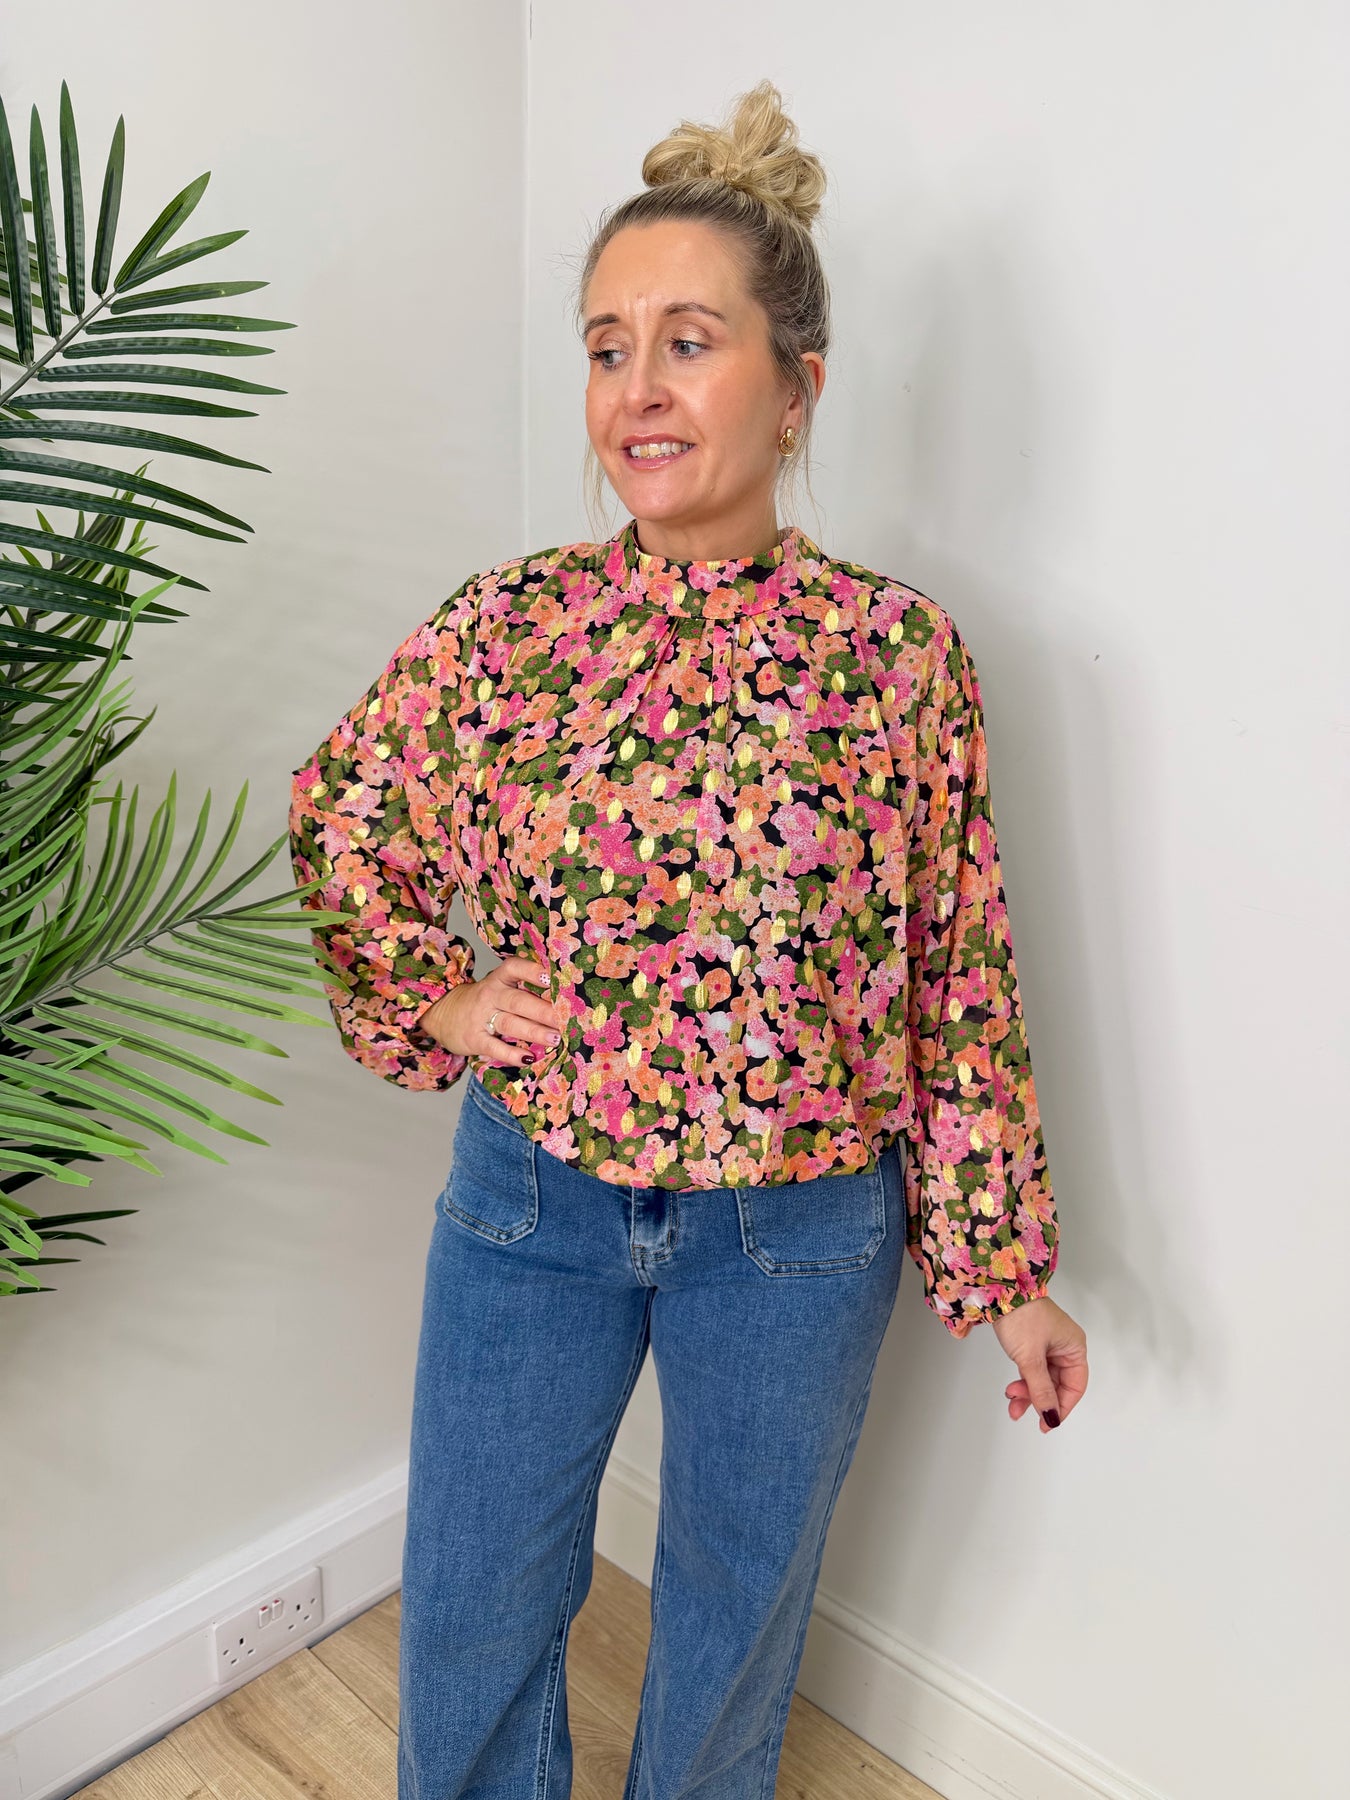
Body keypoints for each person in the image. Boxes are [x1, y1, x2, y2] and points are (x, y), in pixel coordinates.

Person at [289, 78, 1089, 1800]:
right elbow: (341, 815)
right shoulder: (506, 630)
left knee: (734, 1618)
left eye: (685, 343)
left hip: (794, 1236)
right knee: (477, 1604)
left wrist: (1002, 1269)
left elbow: (955, 973)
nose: (635, 390)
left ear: (797, 388)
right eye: (604, 349)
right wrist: (444, 1005)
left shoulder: (897, 657)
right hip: (533, 1207)